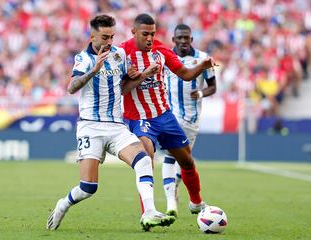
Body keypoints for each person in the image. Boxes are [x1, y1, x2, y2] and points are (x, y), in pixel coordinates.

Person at [46, 14, 175, 232]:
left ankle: (149, 211)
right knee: (88, 188)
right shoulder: (82, 59)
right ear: (92, 35)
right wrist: (94, 70)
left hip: (116, 126)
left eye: (112, 37)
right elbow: (72, 87)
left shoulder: (120, 54)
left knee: (143, 160)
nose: (109, 42)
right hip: (90, 127)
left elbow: (124, 88)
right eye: (105, 37)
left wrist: (143, 75)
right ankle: (63, 203)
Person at [121, 14, 217, 218]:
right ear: (134, 32)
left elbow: (185, 73)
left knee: (187, 161)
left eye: (152, 34)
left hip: (165, 116)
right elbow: (121, 90)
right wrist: (142, 74)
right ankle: (147, 212)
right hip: (140, 119)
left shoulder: (161, 50)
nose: (149, 38)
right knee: (146, 161)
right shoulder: (122, 53)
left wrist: (202, 66)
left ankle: (196, 202)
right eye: (145, 34)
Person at [162, 24, 217, 217]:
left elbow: (213, 87)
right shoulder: (166, 58)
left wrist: (201, 93)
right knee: (171, 155)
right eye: (180, 38)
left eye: (187, 38)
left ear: (191, 39)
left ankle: (175, 187)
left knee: (184, 161)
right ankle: (171, 201)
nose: (184, 41)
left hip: (192, 119)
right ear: (174, 40)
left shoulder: (202, 59)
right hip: (170, 116)